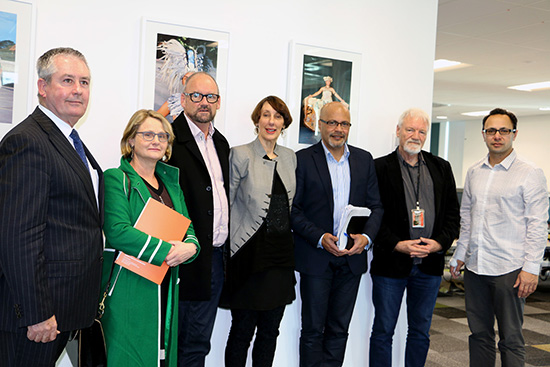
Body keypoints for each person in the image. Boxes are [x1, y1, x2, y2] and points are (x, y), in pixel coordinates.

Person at [0, 47, 103, 366]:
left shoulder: (69, 139)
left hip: (65, 309)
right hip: (36, 318)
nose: (78, 90)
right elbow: (18, 237)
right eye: (67, 80)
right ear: (42, 87)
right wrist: (38, 313)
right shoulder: (28, 142)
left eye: (84, 82)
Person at [450, 108, 549, 367]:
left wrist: (531, 269)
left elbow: (537, 225)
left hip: (510, 269)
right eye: (491, 130)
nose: (497, 136)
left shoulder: (530, 172)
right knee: (479, 335)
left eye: (504, 130)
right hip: (476, 266)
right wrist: (460, 254)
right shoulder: (474, 172)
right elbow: (468, 218)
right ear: (483, 134)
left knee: (511, 338)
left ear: (514, 134)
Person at [101, 109, 200, 366]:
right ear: (131, 140)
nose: (156, 140)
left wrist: (191, 248)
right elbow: (117, 231)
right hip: (128, 286)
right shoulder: (116, 178)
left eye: (162, 136)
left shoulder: (171, 184)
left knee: (161, 358)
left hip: (166, 284)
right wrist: (168, 250)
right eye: (147, 134)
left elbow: (188, 229)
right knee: (127, 357)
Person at [291, 102, 383, 367]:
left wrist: (366, 239)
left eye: (344, 124)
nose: (338, 129)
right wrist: (320, 237)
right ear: (320, 125)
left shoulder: (364, 159)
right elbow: (294, 210)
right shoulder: (304, 159)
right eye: (332, 123)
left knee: (339, 330)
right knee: (312, 331)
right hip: (316, 258)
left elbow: (376, 206)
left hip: (351, 260)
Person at [369, 108, 460, 367]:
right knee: (383, 331)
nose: (416, 135)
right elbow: (372, 216)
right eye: (410, 129)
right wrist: (396, 244)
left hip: (429, 267)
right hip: (391, 265)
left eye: (421, 131)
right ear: (398, 131)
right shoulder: (379, 168)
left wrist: (439, 243)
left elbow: (453, 216)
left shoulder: (441, 168)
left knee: (420, 332)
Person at [224, 96, 296, 367]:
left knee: (270, 331)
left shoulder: (290, 157)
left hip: (281, 258)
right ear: (257, 121)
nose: (271, 121)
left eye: (277, 116)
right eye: (266, 115)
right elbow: (227, 204)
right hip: (248, 256)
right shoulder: (240, 154)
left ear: (284, 123)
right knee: (242, 331)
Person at [166, 71, 230, 367]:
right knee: (176, 343)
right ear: (183, 99)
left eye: (211, 97)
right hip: (180, 259)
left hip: (214, 259)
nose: (204, 102)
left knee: (199, 342)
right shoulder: (167, 139)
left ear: (218, 103)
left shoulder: (221, 143)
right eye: (196, 95)